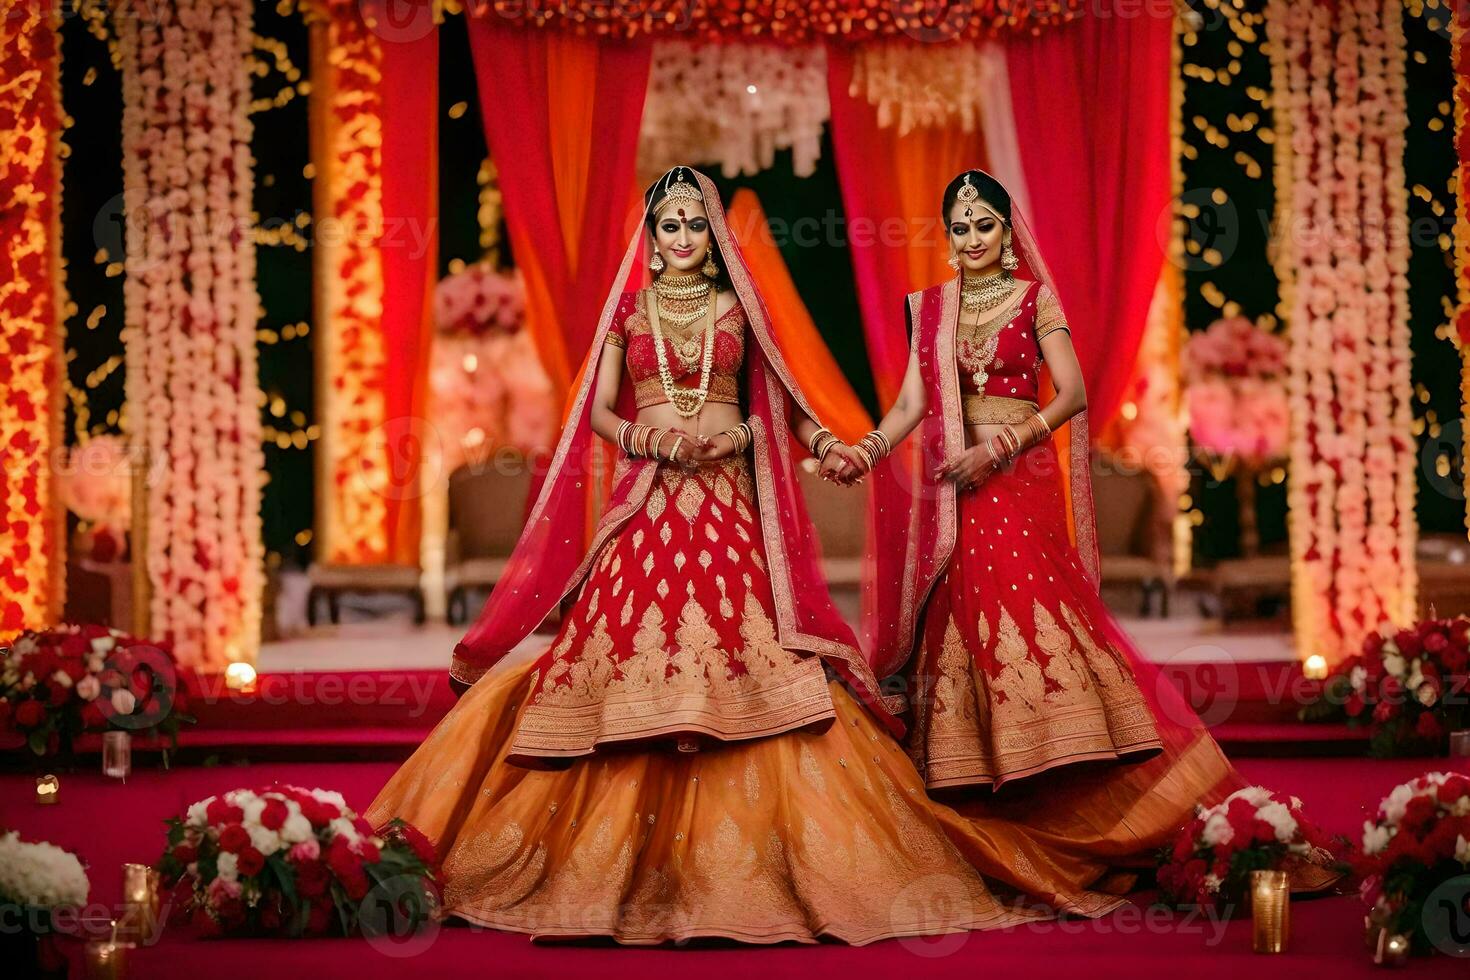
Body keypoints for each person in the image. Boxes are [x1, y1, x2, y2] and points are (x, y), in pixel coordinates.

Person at [365, 167, 1056, 943]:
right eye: (672, 225)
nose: (686, 236)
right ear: (652, 239)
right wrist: (649, 438)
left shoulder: (738, 307)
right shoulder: (630, 309)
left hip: (729, 502)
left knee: (759, 657)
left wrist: (819, 443)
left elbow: (782, 401)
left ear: (714, 234)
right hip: (650, 500)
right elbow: (593, 409)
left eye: (698, 224)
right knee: (620, 656)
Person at [839, 169, 1339, 914]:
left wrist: (1001, 447)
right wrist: (866, 452)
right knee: (957, 622)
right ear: (948, 238)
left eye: (985, 224)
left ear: (1008, 233)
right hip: (952, 492)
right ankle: (994, 808)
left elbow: (1071, 393)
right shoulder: (930, 309)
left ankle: (1074, 793)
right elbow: (912, 401)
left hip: (1012, 482)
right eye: (961, 226)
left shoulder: (1035, 300)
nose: (973, 237)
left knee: (1030, 616)